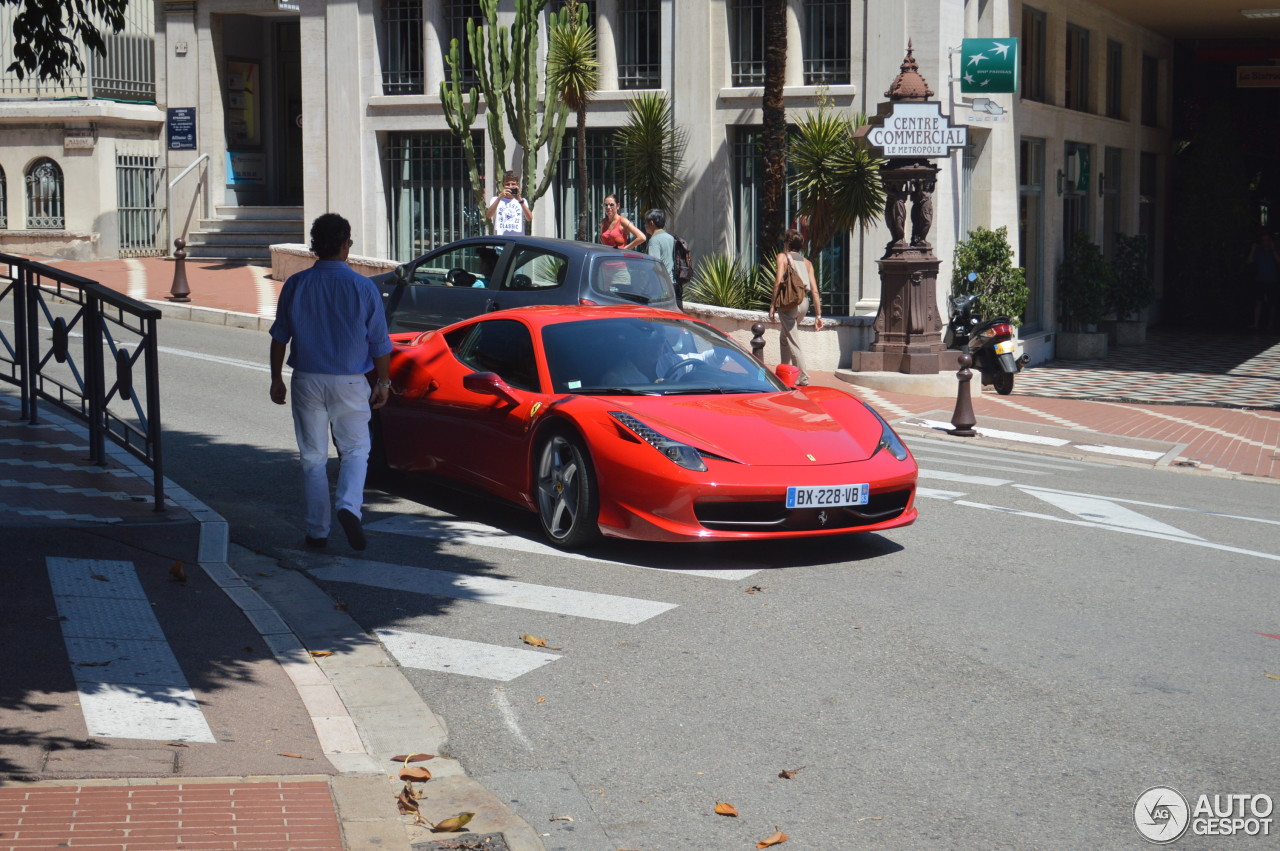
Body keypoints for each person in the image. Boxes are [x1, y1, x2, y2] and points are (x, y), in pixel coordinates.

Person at [269, 213, 392, 552]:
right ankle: (349, 507)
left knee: (312, 457)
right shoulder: (363, 287)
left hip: (307, 379)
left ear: (315, 246)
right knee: (356, 450)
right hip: (351, 381)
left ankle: (317, 532)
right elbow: (380, 343)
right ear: (343, 245)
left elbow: (279, 337)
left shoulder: (296, 284)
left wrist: (276, 378)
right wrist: (384, 381)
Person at [768, 228, 824, 386]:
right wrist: (818, 316)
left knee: (793, 340)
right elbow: (814, 290)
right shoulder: (807, 263)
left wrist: (772, 306)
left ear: (787, 243)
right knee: (785, 337)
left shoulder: (782, 257)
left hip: (789, 303)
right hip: (804, 303)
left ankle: (803, 377)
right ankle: (784, 372)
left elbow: (778, 282)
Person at [1247, 230, 1279, 332]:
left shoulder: (1274, 250)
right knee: (1258, 301)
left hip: (1272, 279)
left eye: (1267, 240)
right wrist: (1253, 250)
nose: (1265, 243)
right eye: (1263, 241)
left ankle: (1270, 324)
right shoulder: (1259, 251)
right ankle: (1256, 324)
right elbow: (1249, 261)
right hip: (1260, 279)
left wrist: (1273, 250)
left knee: (1272, 303)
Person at [487, 171, 532, 236]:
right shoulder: (495, 200)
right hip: (501, 241)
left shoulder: (522, 201)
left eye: (513, 184)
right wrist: (499, 198)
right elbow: (489, 215)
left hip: (518, 241)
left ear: (517, 185)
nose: (510, 187)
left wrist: (520, 200)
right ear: (503, 185)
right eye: (507, 184)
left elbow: (529, 218)